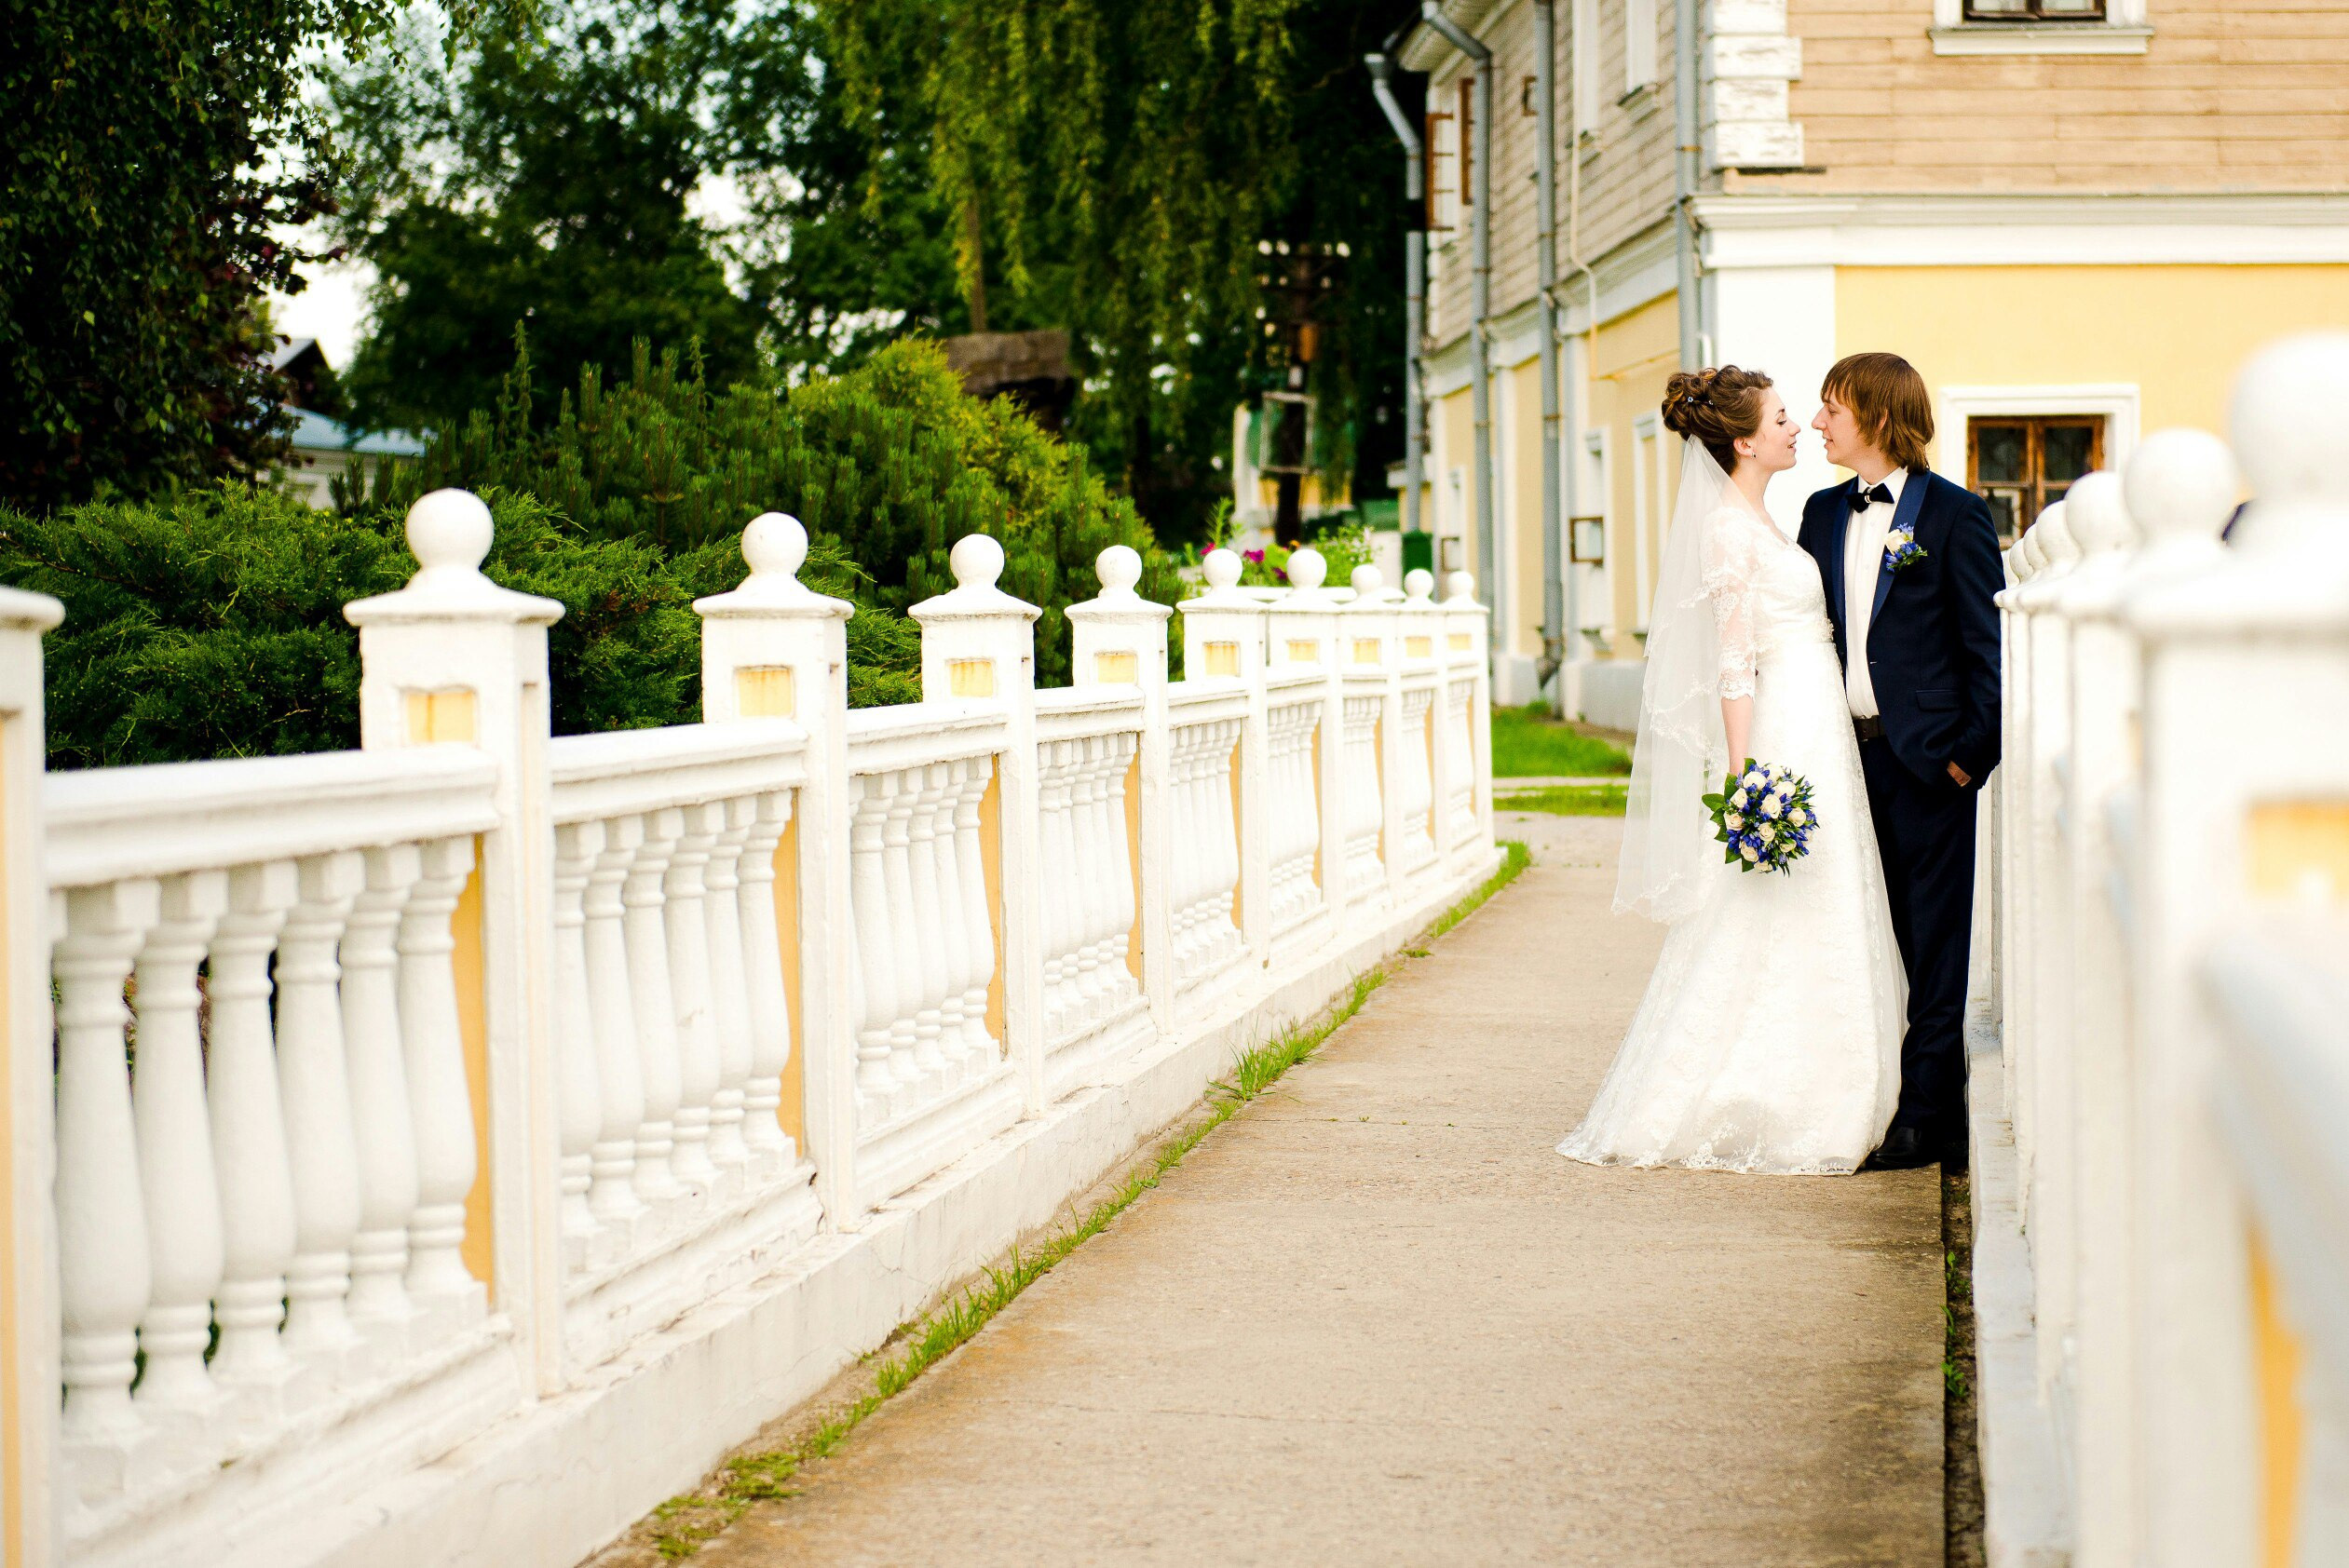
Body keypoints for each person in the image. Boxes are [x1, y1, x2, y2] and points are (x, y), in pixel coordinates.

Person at [1559, 367, 1905, 1175]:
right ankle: (1753, 1090)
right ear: (1745, 440)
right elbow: (1733, 663)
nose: (1800, 427)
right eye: (1786, 417)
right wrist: (1747, 773)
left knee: (1821, 893)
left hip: (1815, 719)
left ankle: (1836, 1072)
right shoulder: (1725, 528)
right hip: (1784, 729)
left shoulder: (1766, 517)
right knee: (1766, 903)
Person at [1799, 353, 2003, 1172]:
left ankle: (1929, 1119)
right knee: (1862, 937)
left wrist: (1967, 762)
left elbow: (1987, 652)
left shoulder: (1955, 516)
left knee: (1934, 944)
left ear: (1879, 418)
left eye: (1831, 409)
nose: (1818, 423)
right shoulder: (1818, 514)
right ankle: (1873, 1095)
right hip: (1844, 766)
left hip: (1928, 768)